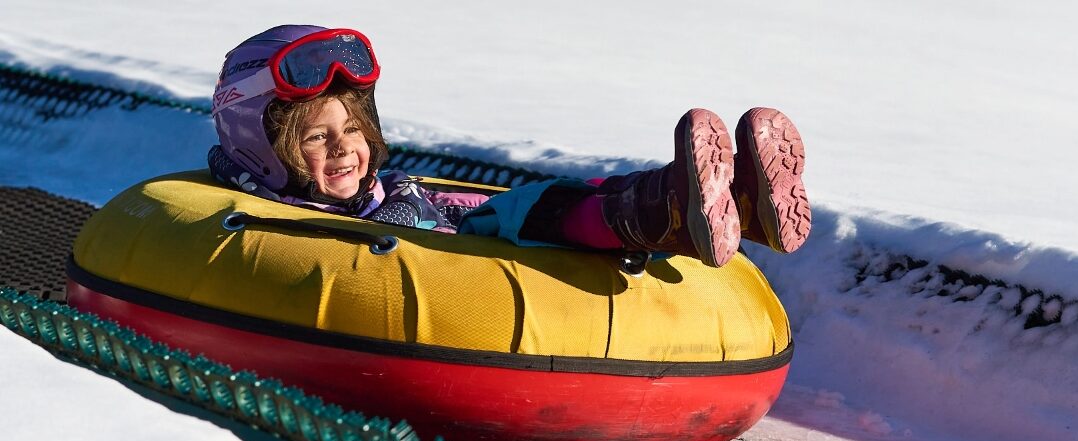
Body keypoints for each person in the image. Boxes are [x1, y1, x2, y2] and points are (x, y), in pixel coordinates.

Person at [208, 25, 811, 269]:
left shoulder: (376, 189)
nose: (345, 150)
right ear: (261, 144)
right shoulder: (260, 220)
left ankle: (726, 201)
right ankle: (669, 210)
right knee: (531, 215)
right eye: (317, 137)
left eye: (354, 129)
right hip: (440, 262)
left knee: (545, 200)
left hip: (438, 227)